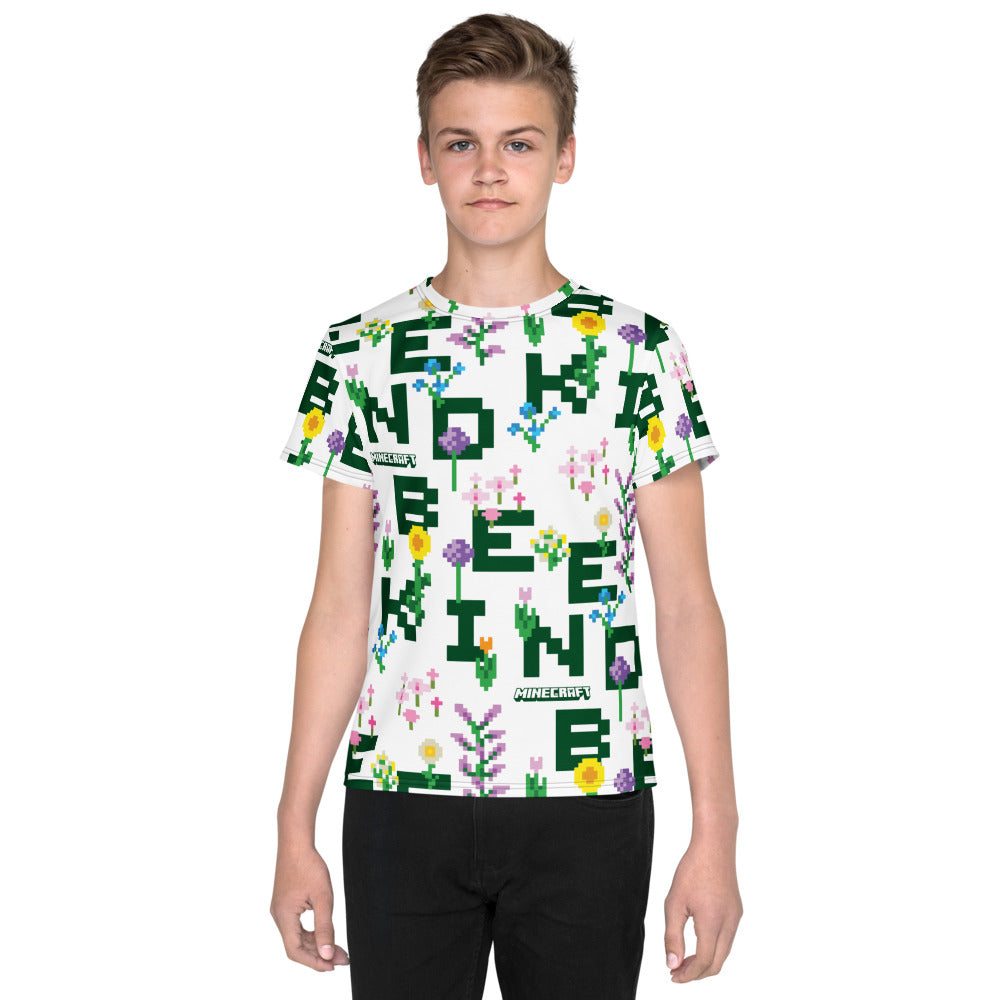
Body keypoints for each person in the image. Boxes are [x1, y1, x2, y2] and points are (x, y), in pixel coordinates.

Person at [269, 12, 741, 999]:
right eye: (462, 144)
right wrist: (292, 826)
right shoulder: (360, 353)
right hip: (402, 796)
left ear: (565, 157)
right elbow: (339, 607)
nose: (489, 170)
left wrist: (716, 833)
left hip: (588, 796)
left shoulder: (635, 353)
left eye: (519, 143)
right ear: (424, 159)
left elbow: (688, 604)